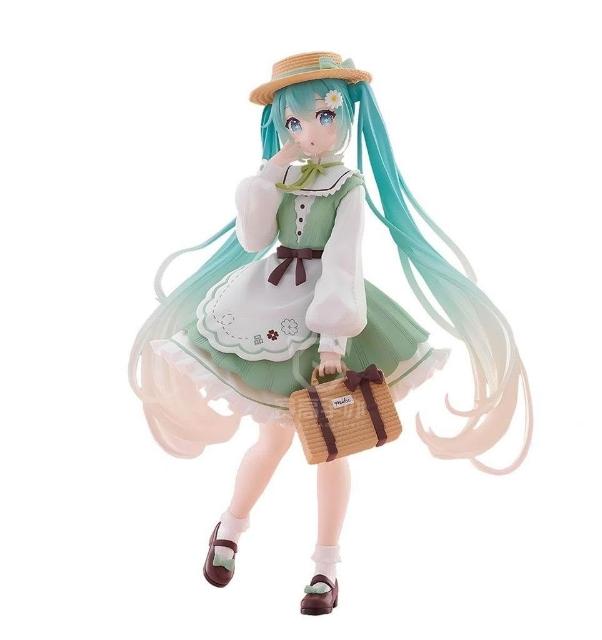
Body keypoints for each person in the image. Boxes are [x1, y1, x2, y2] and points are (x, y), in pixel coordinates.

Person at [129, 51, 533, 615]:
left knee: (330, 445)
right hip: (268, 304)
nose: (310, 132)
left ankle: (325, 565)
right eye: (294, 121)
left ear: (346, 115)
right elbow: (252, 239)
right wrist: (271, 170)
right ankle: (230, 527)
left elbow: (344, 261)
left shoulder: (348, 184)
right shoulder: (282, 175)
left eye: (323, 116)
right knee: (272, 440)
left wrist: (334, 340)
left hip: (327, 311)